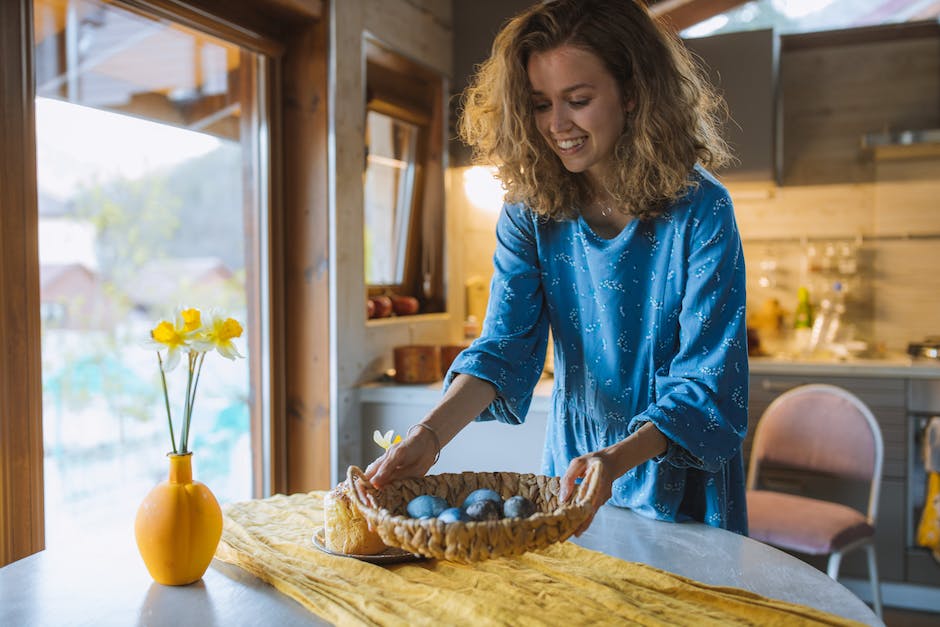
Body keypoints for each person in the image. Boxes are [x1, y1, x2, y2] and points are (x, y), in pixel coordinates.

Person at [365, 0, 749, 535]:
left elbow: (707, 383)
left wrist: (616, 459)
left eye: (578, 100)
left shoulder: (702, 210)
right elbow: (503, 349)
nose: (556, 125)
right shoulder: (530, 209)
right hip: (571, 473)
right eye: (541, 104)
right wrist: (428, 436)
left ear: (634, 92)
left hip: (679, 475)